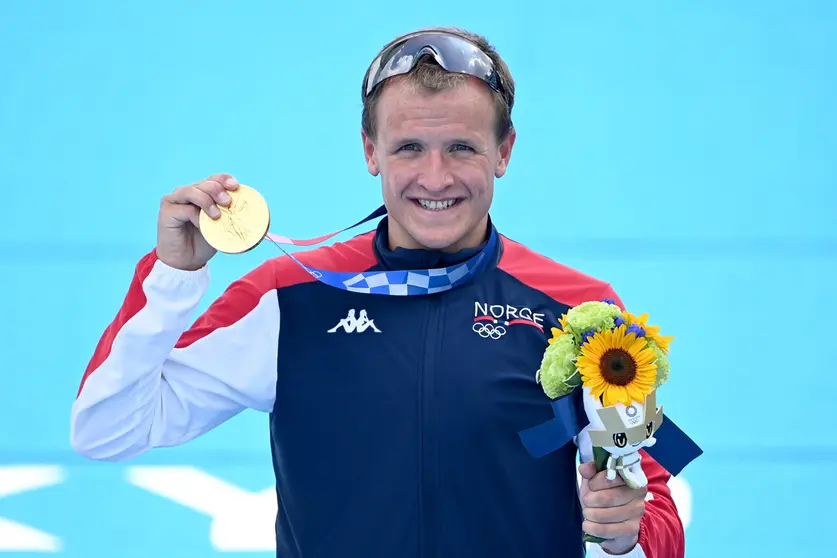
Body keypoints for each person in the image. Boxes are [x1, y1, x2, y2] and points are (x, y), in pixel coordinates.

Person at [70, 27, 686, 558]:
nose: (435, 177)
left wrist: (625, 533)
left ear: (504, 152)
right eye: (409, 148)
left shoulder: (578, 309)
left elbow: (653, 501)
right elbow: (107, 429)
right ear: (371, 151)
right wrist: (173, 279)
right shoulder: (291, 294)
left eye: (462, 148)